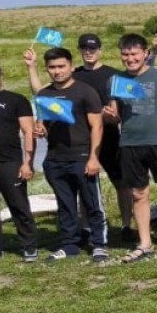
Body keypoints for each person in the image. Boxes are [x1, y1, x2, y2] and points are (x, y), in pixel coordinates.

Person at [107, 34, 157, 263]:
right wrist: (110, 117)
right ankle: (145, 243)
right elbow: (116, 117)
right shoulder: (116, 81)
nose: (130, 59)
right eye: (125, 54)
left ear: (145, 53)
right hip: (130, 144)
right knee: (138, 194)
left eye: (134, 54)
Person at [27, 47, 106, 262]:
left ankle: (99, 244)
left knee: (92, 203)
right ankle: (69, 244)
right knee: (65, 205)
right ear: (47, 70)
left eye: (61, 66)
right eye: (52, 67)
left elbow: (97, 127)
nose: (57, 71)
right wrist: (39, 129)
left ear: (71, 66)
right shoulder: (44, 94)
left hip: (81, 156)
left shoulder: (85, 91)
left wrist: (93, 157)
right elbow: (41, 125)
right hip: (54, 159)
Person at [72, 33, 133, 241]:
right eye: (85, 48)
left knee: (122, 182)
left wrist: (113, 117)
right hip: (82, 139)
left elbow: (123, 112)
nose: (89, 52)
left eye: (93, 48)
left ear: (100, 50)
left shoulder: (115, 76)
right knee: (85, 184)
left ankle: (126, 225)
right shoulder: (74, 76)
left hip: (110, 138)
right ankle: (87, 227)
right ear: (79, 50)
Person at [0, 58, 38, 263]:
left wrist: (28, 162)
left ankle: (28, 246)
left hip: (9, 163)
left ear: (0, 76)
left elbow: (28, 131)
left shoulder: (15, 100)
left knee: (19, 205)